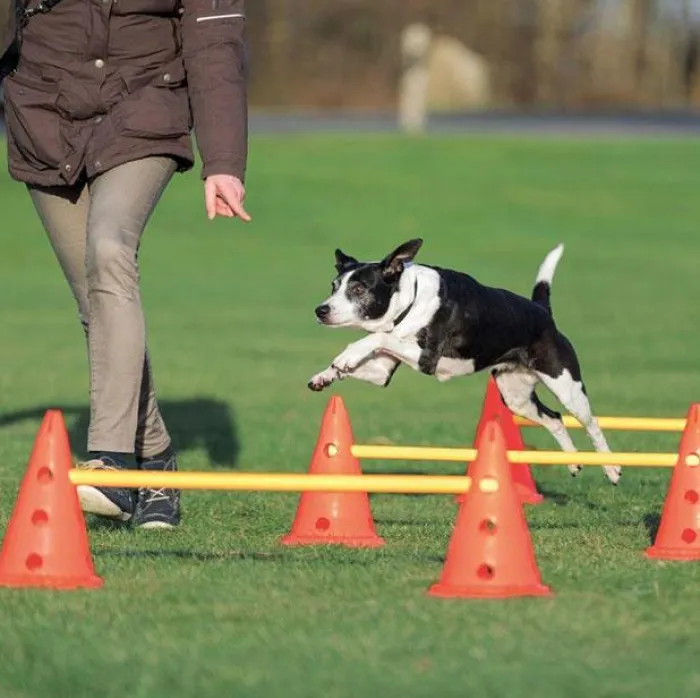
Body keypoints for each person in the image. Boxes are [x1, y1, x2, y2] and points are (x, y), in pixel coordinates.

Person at [0, 0, 251, 528]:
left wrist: (223, 161)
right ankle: (157, 461)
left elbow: (215, 43)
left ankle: (109, 465)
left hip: (142, 111)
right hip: (45, 118)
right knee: (96, 302)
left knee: (110, 250)